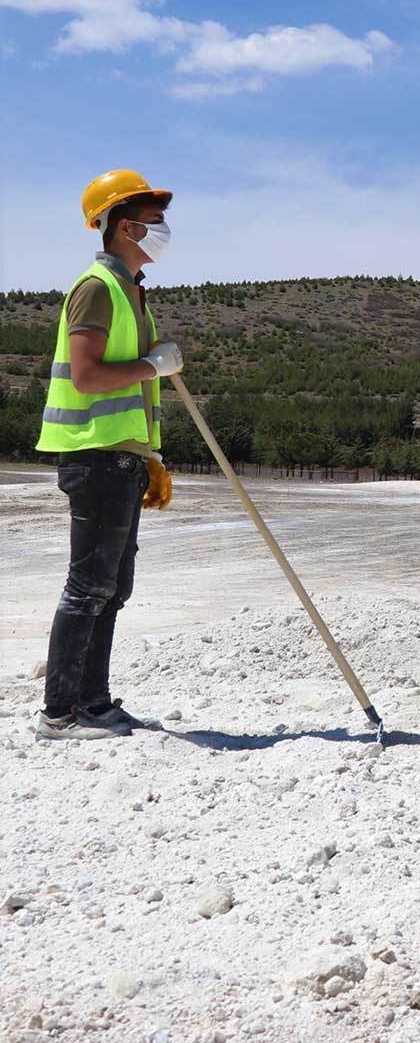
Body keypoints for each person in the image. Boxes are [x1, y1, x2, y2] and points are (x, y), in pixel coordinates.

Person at [34, 170, 184, 740]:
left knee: (112, 588)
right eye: (154, 221)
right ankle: (59, 712)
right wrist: (153, 366)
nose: (163, 230)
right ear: (125, 226)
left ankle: (93, 702)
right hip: (92, 456)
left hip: (119, 456)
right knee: (88, 587)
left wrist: (148, 455)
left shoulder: (130, 291)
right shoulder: (97, 287)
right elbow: (89, 375)